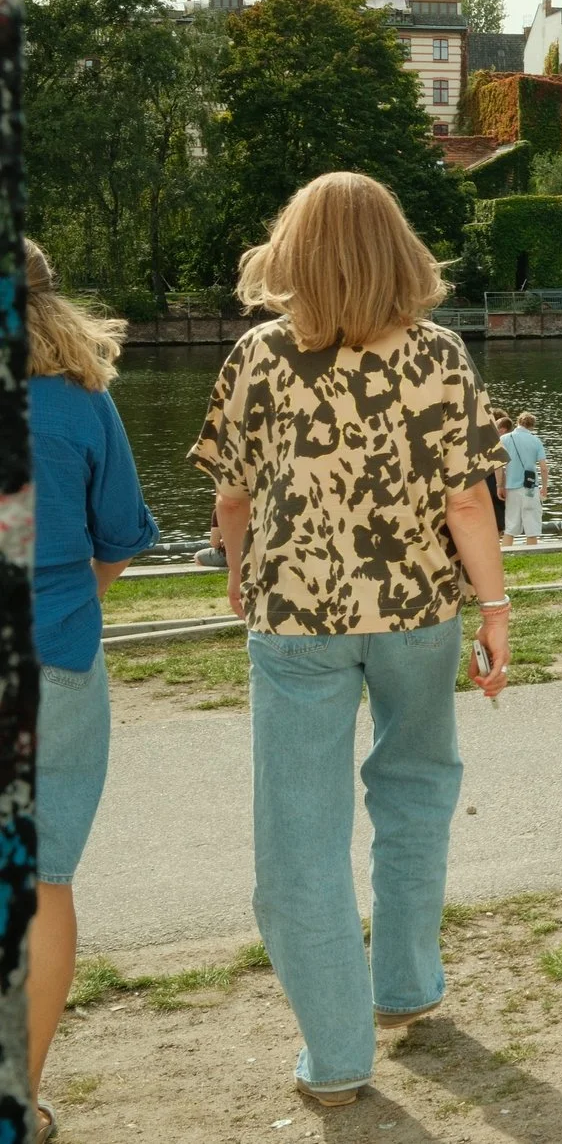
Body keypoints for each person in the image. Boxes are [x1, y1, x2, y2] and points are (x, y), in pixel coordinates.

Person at [188, 172, 511, 1110]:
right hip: (419, 613)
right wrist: (494, 610)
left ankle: (335, 1056)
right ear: (398, 248)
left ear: (292, 250)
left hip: (297, 620)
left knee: (300, 835)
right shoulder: (442, 356)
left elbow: (233, 495)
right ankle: (404, 987)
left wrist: (244, 573)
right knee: (414, 791)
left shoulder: (258, 355)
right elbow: (467, 502)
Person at [25, 241, 158, 1143]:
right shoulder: (82, 400)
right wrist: (81, 596)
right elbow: (120, 533)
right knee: (43, 882)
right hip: (55, 659)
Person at [501, 410, 549, 545]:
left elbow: (498, 466)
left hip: (511, 488)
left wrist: (500, 485)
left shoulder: (504, 439)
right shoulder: (536, 441)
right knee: (532, 528)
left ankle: (505, 556)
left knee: (510, 528)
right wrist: (544, 488)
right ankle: (532, 558)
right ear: (532, 426)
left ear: (518, 422)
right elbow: (544, 468)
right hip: (530, 488)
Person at [486, 409, 514, 536]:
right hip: (493, 480)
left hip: (481, 480)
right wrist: (501, 485)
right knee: (498, 519)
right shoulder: (498, 441)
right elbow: (500, 465)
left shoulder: (481, 436)